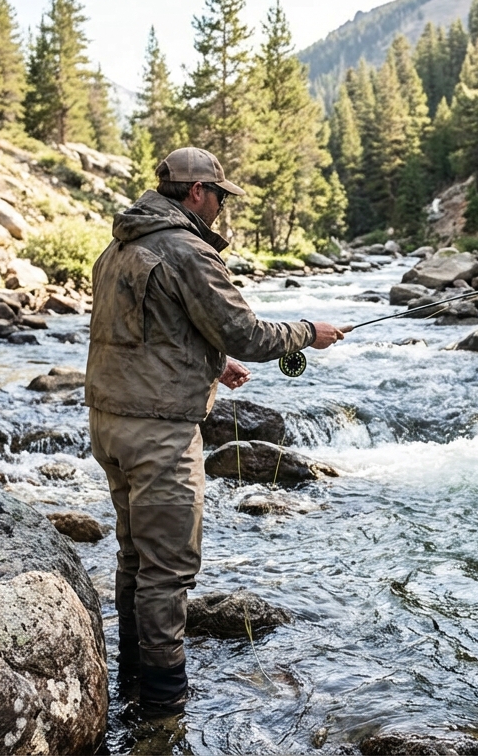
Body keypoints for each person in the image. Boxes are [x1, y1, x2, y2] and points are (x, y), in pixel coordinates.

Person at [86, 146, 347, 717]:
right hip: (158, 432)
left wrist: (209, 361)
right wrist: (309, 332)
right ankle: (162, 704)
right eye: (220, 198)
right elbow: (246, 332)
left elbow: (135, 330)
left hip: (109, 422)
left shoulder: (120, 244)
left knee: (134, 558)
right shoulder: (186, 250)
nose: (222, 210)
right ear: (198, 192)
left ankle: (131, 683)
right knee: (168, 569)